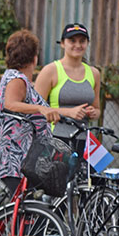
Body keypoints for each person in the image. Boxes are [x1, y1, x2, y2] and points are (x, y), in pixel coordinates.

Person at [0, 29, 86, 236]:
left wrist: (62, 113)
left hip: (23, 160)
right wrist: (42, 110)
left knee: (23, 222)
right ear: (35, 57)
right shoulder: (17, 79)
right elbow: (11, 104)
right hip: (15, 159)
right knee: (33, 222)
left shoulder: (19, 80)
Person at [34, 23, 100, 152]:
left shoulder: (94, 73)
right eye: (72, 41)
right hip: (55, 140)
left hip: (83, 139)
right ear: (63, 43)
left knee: (100, 164)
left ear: (88, 43)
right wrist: (68, 112)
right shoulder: (50, 70)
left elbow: (97, 110)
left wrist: (93, 113)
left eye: (82, 41)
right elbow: (35, 109)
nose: (78, 45)